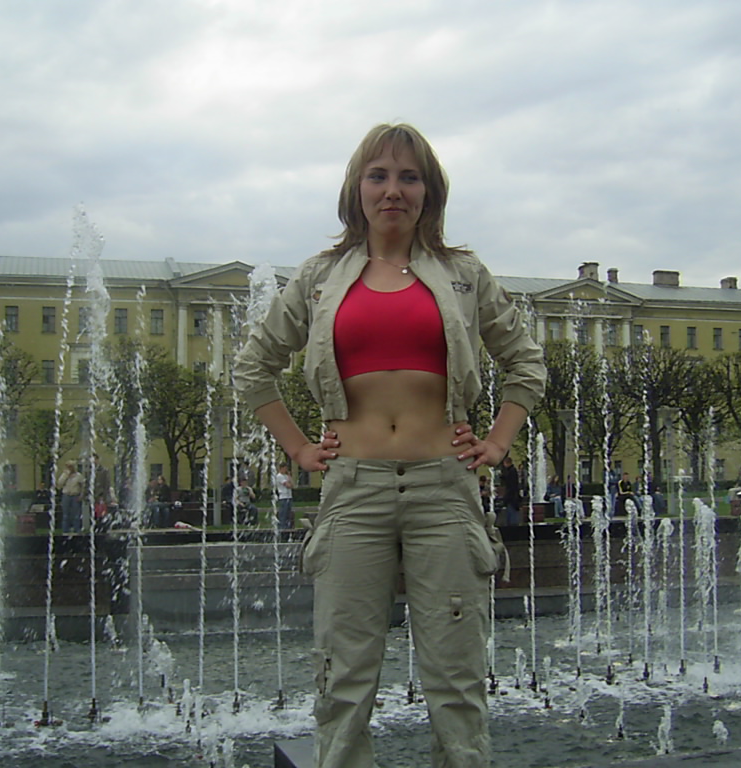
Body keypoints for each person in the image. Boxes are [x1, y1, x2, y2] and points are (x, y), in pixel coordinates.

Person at [233, 123, 546, 768]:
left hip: (444, 492)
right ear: (357, 188)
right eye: (378, 175)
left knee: (456, 678)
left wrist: (497, 442)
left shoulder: (463, 274)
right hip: (354, 492)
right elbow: (253, 367)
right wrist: (298, 448)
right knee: (343, 677)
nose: (393, 190)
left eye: (409, 177)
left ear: (430, 192)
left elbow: (526, 361)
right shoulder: (320, 277)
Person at [57, 460, 83, 533]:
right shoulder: (64, 475)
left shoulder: (78, 476)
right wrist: (65, 475)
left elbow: (82, 486)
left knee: (76, 514)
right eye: (68, 466)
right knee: (65, 515)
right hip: (66, 495)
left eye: (71, 466)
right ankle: (65, 530)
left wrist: (81, 495)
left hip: (75, 495)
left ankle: (76, 529)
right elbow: (59, 484)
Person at [499, 454, 521, 526]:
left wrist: (506, 497)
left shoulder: (511, 471)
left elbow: (511, 484)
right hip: (513, 496)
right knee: (512, 513)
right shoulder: (512, 471)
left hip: (512, 497)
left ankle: (513, 527)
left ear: (506, 463)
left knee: (512, 514)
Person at [274, 462, 294, 530]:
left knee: (288, 514)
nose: (286, 470)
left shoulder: (286, 476)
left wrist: (289, 476)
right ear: (281, 468)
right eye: (285, 468)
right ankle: (282, 527)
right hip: (283, 497)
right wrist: (289, 484)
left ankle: (288, 527)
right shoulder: (279, 476)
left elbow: (292, 485)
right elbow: (288, 485)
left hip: (289, 496)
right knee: (283, 513)